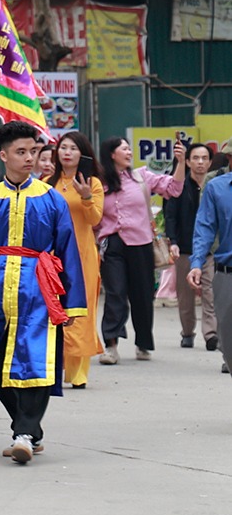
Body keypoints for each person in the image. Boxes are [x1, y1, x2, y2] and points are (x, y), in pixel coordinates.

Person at [0, 122, 85, 464]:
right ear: (4, 156)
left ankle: (23, 433)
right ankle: (29, 431)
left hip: (41, 289)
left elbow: (68, 250)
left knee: (37, 361)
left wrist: (73, 302)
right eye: (21, 152)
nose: (29, 158)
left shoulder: (52, 199)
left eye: (33, 152)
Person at [96, 135, 182, 363]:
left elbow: (173, 188)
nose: (129, 152)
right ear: (112, 154)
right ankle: (111, 344)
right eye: (124, 148)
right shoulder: (98, 182)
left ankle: (143, 343)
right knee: (115, 293)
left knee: (142, 296)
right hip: (112, 244)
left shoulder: (141, 176)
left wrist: (181, 163)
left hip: (141, 243)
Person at [48, 132, 105, 387]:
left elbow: (95, 220)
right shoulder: (47, 182)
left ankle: (78, 372)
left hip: (82, 254)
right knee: (55, 309)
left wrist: (85, 196)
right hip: (53, 255)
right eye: (63, 147)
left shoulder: (92, 183)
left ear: (82, 154)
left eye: (72, 148)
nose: (66, 152)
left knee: (82, 309)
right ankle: (55, 366)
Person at [165, 141, 217, 352]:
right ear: (187, 161)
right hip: (186, 248)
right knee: (185, 296)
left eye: (204, 158)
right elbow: (170, 216)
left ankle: (211, 334)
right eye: (195, 158)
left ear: (210, 162)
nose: (200, 163)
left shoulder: (215, 186)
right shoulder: (180, 185)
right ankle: (187, 332)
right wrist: (173, 241)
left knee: (210, 293)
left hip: (210, 251)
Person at [189, 165, 232, 376]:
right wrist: (196, 263)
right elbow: (204, 227)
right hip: (227, 273)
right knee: (229, 342)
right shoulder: (216, 188)